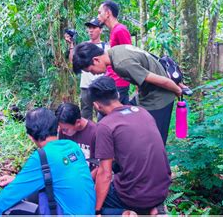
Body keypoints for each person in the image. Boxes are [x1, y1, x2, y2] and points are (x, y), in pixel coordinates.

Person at [0, 108, 95, 215]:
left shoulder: (42, 157)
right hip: (90, 212)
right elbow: (61, 177)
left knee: (9, 208)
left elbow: (10, 194)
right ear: (57, 128)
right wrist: (16, 180)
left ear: (30, 137)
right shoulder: (72, 146)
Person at [89, 76, 171, 215]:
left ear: (96, 105)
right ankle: (152, 209)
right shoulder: (142, 112)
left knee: (89, 196)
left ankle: (126, 213)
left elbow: (105, 174)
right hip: (161, 191)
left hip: (135, 197)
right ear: (118, 95)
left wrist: (96, 210)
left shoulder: (105, 125)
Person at [72, 42, 182, 145]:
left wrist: (177, 90)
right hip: (147, 95)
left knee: (155, 140)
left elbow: (160, 80)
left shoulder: (122, 64)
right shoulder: (115, 52)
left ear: (96, 60)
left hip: (159, 98)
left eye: (91, 70)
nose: (94, 74)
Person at [66, 18, 109, 119]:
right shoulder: (83, 46)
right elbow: (73, 61)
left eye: (94, 27)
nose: (91, 30)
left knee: (104, 114)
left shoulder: (106, 47)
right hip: (85, 87)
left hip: (101, 87)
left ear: (101, 30)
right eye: (89, 28)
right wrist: (71, 44)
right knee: (86, 115)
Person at [97, 0, 132, 105]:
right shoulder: (114, 31)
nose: (98, 16)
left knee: (105, 116)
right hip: (114, 80)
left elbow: (129, 56)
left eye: (100, 13)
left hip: (119, 82)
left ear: (107, 13)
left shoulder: (120, 30)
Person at [55, 102, 99, 178]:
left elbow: (101, 165)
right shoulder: (63, 132)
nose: (63, 132)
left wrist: (85, 182)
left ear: (78, 122)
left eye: (65, 129)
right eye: (61, 129)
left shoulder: (95, 133)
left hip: (89, 179)